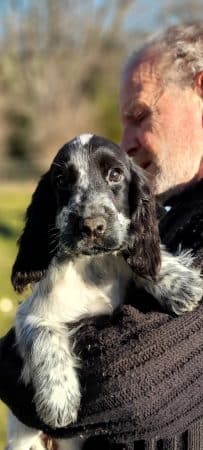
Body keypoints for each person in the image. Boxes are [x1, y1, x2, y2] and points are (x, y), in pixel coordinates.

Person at [1, 22, 203, 450]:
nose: (127, 141)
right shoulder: (163, 211)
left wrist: (12, 366)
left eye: (140, 115)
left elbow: (129, 384)